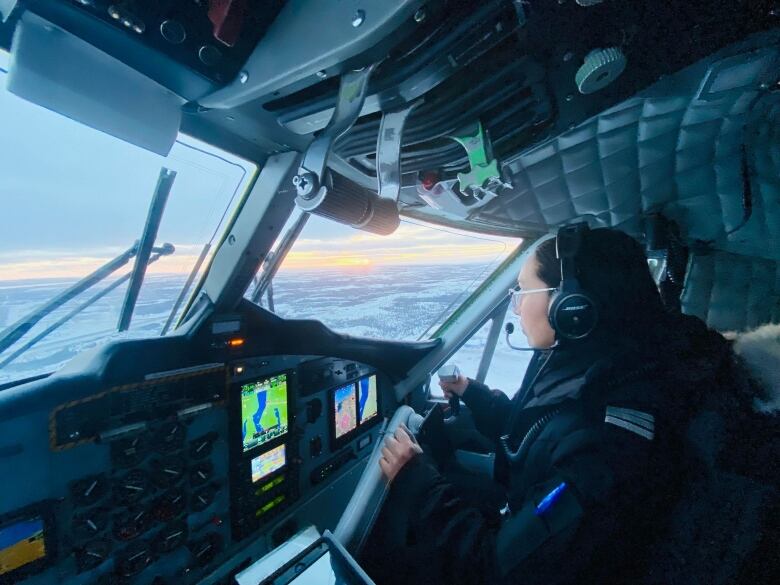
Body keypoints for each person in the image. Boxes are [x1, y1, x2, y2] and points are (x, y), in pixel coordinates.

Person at [362, 225, 755, 585]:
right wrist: (474, 393)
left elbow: (497, 569)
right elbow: (543, 432)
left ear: (572, 305)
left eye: (522, 291)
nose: (516, 307)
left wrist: (416, 482)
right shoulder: (608, 369)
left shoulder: (609, 441)